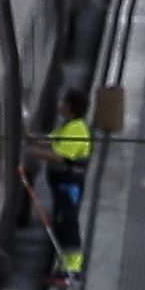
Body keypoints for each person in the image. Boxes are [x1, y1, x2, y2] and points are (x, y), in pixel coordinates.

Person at [47, 99, 94, 276]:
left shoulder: (76, 128)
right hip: (62, 186)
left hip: (69, 185)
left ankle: (72, 268)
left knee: (67, 221)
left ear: (71, 108)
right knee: (61, 221)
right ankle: (64, 265)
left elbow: (59, 156)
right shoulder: (67, 126)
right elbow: (50, 141)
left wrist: (32, 153)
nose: (60, 104)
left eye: (65, 102)